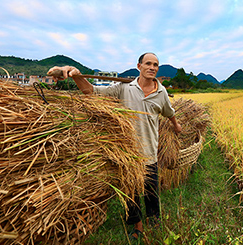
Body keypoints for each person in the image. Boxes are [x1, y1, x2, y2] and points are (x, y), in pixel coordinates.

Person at [47, 52, 181, 241]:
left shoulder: (161, 92)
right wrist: (76, 75)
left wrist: (176, 125)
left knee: (151, 191)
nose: (152, 67)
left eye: (156, 65)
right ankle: (137, 225)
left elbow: (169, 112)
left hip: (150, 150)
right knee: (130, 191)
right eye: (148, 63)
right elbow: (91, 92)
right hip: (127, 153)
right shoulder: (124, 88)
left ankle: (155, 221)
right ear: (139, 66)